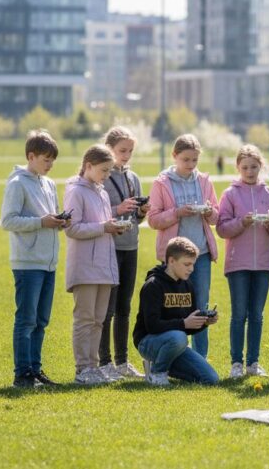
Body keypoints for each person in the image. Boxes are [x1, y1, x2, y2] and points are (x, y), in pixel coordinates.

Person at [0, 130, 67, 388]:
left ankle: (36, 371)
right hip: (28, 262)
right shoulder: (17, 183)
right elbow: (8, 220)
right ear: (31, 156)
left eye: (52, 160)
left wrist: (60, 221)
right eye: (45, 159)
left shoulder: (48, 184)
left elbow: (50, 217)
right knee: (26, 319)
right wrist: (42, 222)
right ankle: (22, 374)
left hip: (48, 261)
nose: (50, 165)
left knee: (41, 320)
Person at [147, 134, 220, 359]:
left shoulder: (204, 181)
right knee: (174, 307)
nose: (190, 165)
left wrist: (208, 212)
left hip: (202, 254)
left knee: (200, 306)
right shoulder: (162, 183)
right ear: (174, 156)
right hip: (174, 258)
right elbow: (153, 219)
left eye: (194, 160)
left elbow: (216, 217)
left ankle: (200, 359)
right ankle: (176, 356)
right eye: (186, 159)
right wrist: (177, 213)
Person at [216, 145, 269, 379]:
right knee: (238, 315)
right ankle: (236, 362)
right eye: (245, 167)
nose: (249, 171)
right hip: (238, 264)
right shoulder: (230, 194)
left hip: (264, 264)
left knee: (256, 315)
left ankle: (253, 363)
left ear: (261, 166)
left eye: (254, 166)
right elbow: (222, 229)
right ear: (238, 168)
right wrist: (241, 223)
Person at [64, 144, 126, 385]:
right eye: (103, 170)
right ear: (88, 166)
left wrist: (111, 227)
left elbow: (101, 224)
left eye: (109, 171)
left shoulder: (100, 191)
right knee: (85, 318)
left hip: (104, 265)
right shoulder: (75, 191)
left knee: (99, 319)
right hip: (85, 267)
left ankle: (94, 366)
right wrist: (104, 228)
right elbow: (71, 228)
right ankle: (83, 369)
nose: (106, 176)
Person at [98, 127, 150, 381]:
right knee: (107, 308)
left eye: (130, 150)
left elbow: (135, 219)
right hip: (111, 247)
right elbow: (100, 213)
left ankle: (122, 362)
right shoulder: (102, 177)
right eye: (122, 150)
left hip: (131, 245)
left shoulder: (134, 178)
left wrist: (141, 212)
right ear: (109, 149)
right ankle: (104, 362)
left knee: (125, 307)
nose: (127, 155)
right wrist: (118, 208)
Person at [133, 237, 220, 386]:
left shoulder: (187, 284)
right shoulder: (153, 285)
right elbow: (152, 326)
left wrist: (204, 322)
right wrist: (184, 323)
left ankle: (160, 365)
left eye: (193, 264)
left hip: (175, 343)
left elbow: (188, 326)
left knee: (210, 379)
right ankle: (157, 374)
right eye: (187, 264)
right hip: (148, 342)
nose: (191, 269)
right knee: (179, 337)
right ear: (171, 261)